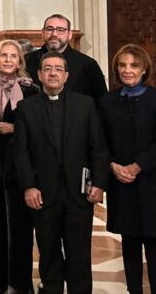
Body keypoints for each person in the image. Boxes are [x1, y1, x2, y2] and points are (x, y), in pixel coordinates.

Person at [13, 52, 109, 294]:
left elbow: (97, 146)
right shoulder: (25, 108)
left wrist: (99, 183)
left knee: (79, 253)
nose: (53, 73)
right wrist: (28, 186)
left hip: (79, 192)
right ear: (39, 75)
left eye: (58, 69)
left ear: (66, 75)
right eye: (47, 68)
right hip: (43, 193)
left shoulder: (85, 104)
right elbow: (21, 152)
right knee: (49, 252)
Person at [99, 44, 156, 294]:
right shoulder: (108, 101)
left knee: (155, 245)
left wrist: (137, 166)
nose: (127, 70)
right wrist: (112, 165)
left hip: (154, 183)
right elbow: (101, 141)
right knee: (129, 243)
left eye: (133, 65)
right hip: (122, 183)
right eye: (122, 65)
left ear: (144, 69)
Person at [0, 40, 38, 294]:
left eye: (13, 56)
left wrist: (13, 128)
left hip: (22, 164)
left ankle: (21, 283)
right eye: (3, 56)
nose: (8, 60)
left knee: (21, 226)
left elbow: (41, 128)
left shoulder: (31, 91)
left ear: (20, 62)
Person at [24, 14, 107, 104]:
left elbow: (101, 102)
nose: (54, 34)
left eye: (60, 30)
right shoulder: (26, 61)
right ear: (43, 33)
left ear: (69, 35)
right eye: (49, 29)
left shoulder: (88, 64)